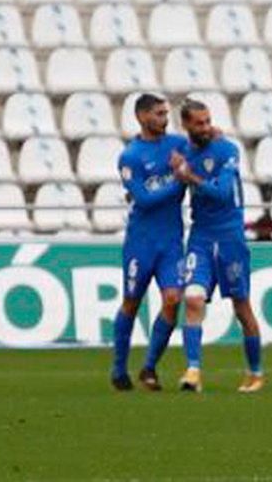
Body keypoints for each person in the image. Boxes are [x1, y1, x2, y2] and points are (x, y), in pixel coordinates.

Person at [170, 99, 263, 393]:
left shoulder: (227, 150)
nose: (206, 127)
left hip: (230, 236)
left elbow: (222, 194)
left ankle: (255, 372)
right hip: (200, 236)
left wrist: (189, 177)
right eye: (199, 123)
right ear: (185, 125)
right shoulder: (182, 150)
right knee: (194, 299)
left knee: (241, 306)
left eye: (208, 121)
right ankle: (193, 371)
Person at [111, 93, 188, 392]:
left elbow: (202, 155)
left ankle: (149, 367)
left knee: (173, 300)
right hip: (140, 242)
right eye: (158, 113)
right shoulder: (131, 156)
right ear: (142, 117)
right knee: (132, 302)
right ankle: (118, 369)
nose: (164, 118)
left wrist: (214, 137)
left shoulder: (177, 145)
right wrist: (179, 180)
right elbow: (143, 199)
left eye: (165, 113)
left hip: (171, 241)